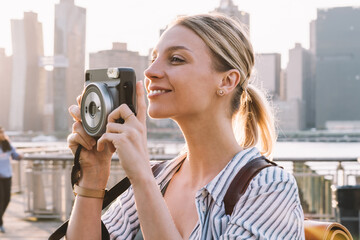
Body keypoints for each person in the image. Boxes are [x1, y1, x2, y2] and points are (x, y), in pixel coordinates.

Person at [66, 13, 305, 239]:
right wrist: (93, 177)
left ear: (227, 80)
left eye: (176, 59)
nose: (150, 72)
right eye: (153, 59)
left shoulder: (268, 187)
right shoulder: (156, 177)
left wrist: (140, 177)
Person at [0, 127, 23, 233]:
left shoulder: (6, 144)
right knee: (1, 200)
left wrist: (19, 156)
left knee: (7, 199)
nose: (2, 134)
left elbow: (14, 155)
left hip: (7, 176)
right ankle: (0, 224)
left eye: (2, 132)